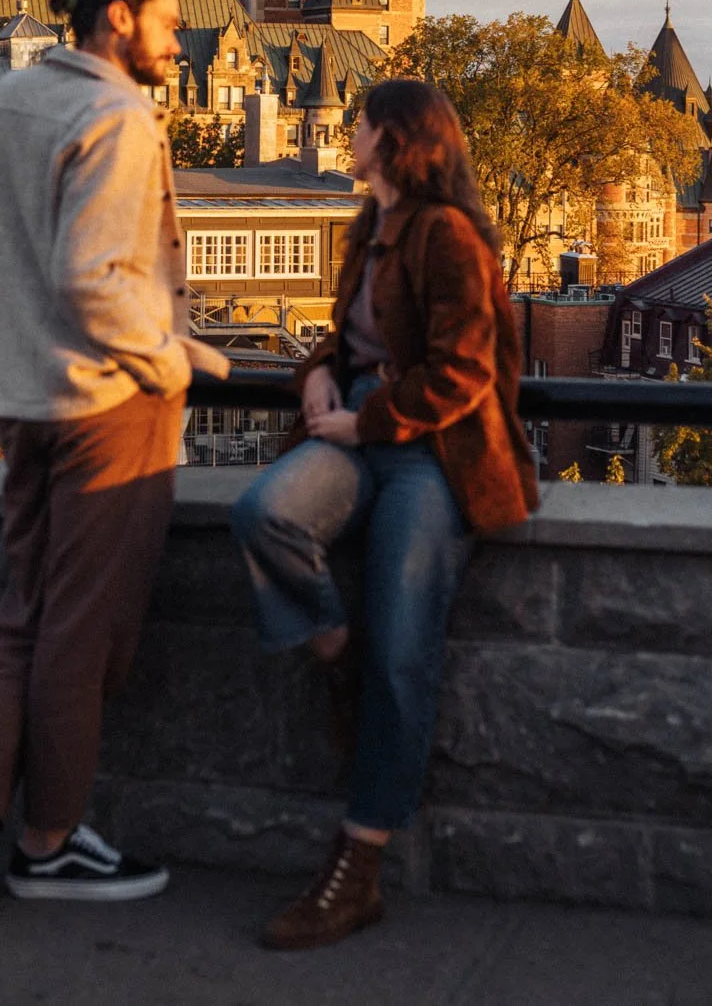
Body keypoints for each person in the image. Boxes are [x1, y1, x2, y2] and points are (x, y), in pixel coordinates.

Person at [0, 0, 226, 902]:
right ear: (119, 18)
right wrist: (170, 359)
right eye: (169, 24)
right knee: (81, 634)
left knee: (26, 616)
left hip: (24, 396)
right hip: (103, 405)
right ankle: (49, 841)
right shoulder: (118, 117)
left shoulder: (12, 97)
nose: (179, 42)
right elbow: (94, 275)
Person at [231, 78, 537, 950]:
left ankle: (355, 869)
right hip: (359, 426)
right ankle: (336, 652)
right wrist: (319, 368)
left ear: (394, 141)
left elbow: (463, 370)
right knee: (265, 515)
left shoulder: (449, 235)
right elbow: (353, 333)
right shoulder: (369, 225)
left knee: (407, 650)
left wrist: (364, 417)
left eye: (358, 123)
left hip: (433, 452)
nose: (346, 132)